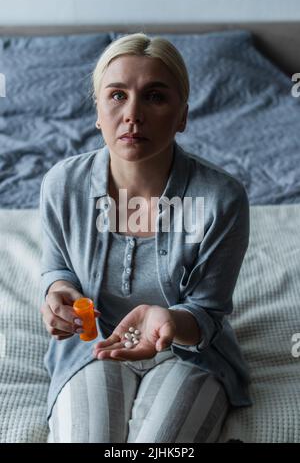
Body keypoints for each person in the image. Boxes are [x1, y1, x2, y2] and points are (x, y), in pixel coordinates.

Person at [40, 32, 252, 443]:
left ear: (183, 115)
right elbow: (58, 265)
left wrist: (169, 320)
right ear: (98, 112)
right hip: (92, 347)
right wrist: (58, 289)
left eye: (155, 97)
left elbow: (208, 312)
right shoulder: (62, 185)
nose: (132, 114)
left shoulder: (222, 199)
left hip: (191, 353)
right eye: (117, 95)